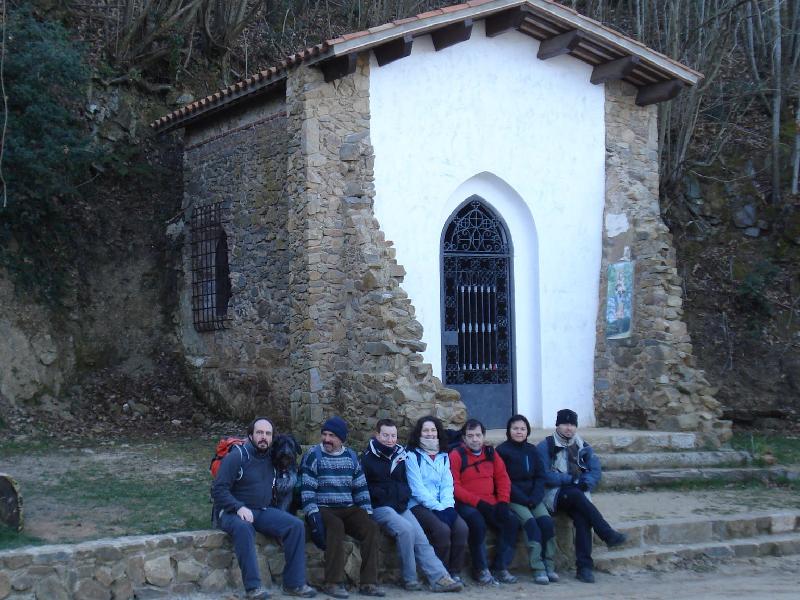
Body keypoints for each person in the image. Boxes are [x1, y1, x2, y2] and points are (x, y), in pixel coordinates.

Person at [212, 417, 316, 600]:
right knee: (244, 529)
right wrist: (238, 507)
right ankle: (253, 588)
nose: (263, 437)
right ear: (250, 435)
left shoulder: (271, 456)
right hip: (230, 512)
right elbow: (218, 490)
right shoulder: (238, 456)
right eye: (259, 432)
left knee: (296, 526)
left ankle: (294, 583)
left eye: (268, 434)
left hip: (261, 510)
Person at [361, 418, 463, 593]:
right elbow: (366, 488)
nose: (389, 439)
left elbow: (404, 483)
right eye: (385, 435)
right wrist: (386, 496)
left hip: (400, 505)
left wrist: (401, 497)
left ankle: (439, 577)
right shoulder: (367, 458)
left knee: (420, 536)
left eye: (393, 435)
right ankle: (409, 579)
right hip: (380, 507)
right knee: (406, 530)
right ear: (377, 435)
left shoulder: (400, 454)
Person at [536, 409, 627, 583]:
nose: (568, 428)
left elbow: (595, 470)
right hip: (554, 494)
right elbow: (544, 475)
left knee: (583, 518)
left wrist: (587, 482)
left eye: (572, 424)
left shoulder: (582, 446)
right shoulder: (545, 446)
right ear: (557, 425)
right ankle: (607, 533)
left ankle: (584, 567)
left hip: (576, 494)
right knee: (577, 496)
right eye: (564, 424)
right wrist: (572, 480)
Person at [300, 416, 385, 599]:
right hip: (323, 507)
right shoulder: (314, 455)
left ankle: (369, 583)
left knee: (371, 527)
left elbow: (361, 488)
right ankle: (332, 582)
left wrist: (367, 513)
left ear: (342, 439)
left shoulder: (352, 457)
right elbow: (307, 490)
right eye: (324, 434)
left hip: (347, 506)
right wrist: (312, 514)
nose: (327, 439)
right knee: (335, 526)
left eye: (332, 435)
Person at [450, 418, 519, 586]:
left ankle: (500, 567)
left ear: (483, 436)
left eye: (478, 435)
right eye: (470, 435)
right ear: (464, 438)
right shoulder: (456, 455)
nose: (475, 439)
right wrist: (478, 503)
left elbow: (503, 478)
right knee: (477, 523)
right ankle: (480, 570)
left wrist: (503, 502)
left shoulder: (490, 453)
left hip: (491, 501)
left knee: (511, 522)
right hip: (465, 503)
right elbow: (454, 487)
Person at [405, 416, 469, 583]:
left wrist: (447, 506)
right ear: (419, 433)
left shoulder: (443, 455)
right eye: (426, 430)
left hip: (442, 503)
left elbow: (447, 484)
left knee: (461, 528)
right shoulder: (412, 455)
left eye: (433, 430)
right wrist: (437, 507)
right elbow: (416, 488)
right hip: (418, 504)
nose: (430, 433)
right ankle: (440, 575)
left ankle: (455, 572)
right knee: (442, 530)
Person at [496, 414, 557, 585]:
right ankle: (538, 569)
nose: (519, 432)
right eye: (515, 428)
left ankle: (549, 565)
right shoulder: (502, 451)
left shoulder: (532, 450)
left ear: (527, 431)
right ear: (509, 430)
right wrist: (524, 498)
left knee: (546, 523)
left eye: (522, 429)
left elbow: (540, 476)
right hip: (515, 498)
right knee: (531, 525)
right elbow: (503, 479)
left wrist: (536, 496)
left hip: (533, 497)